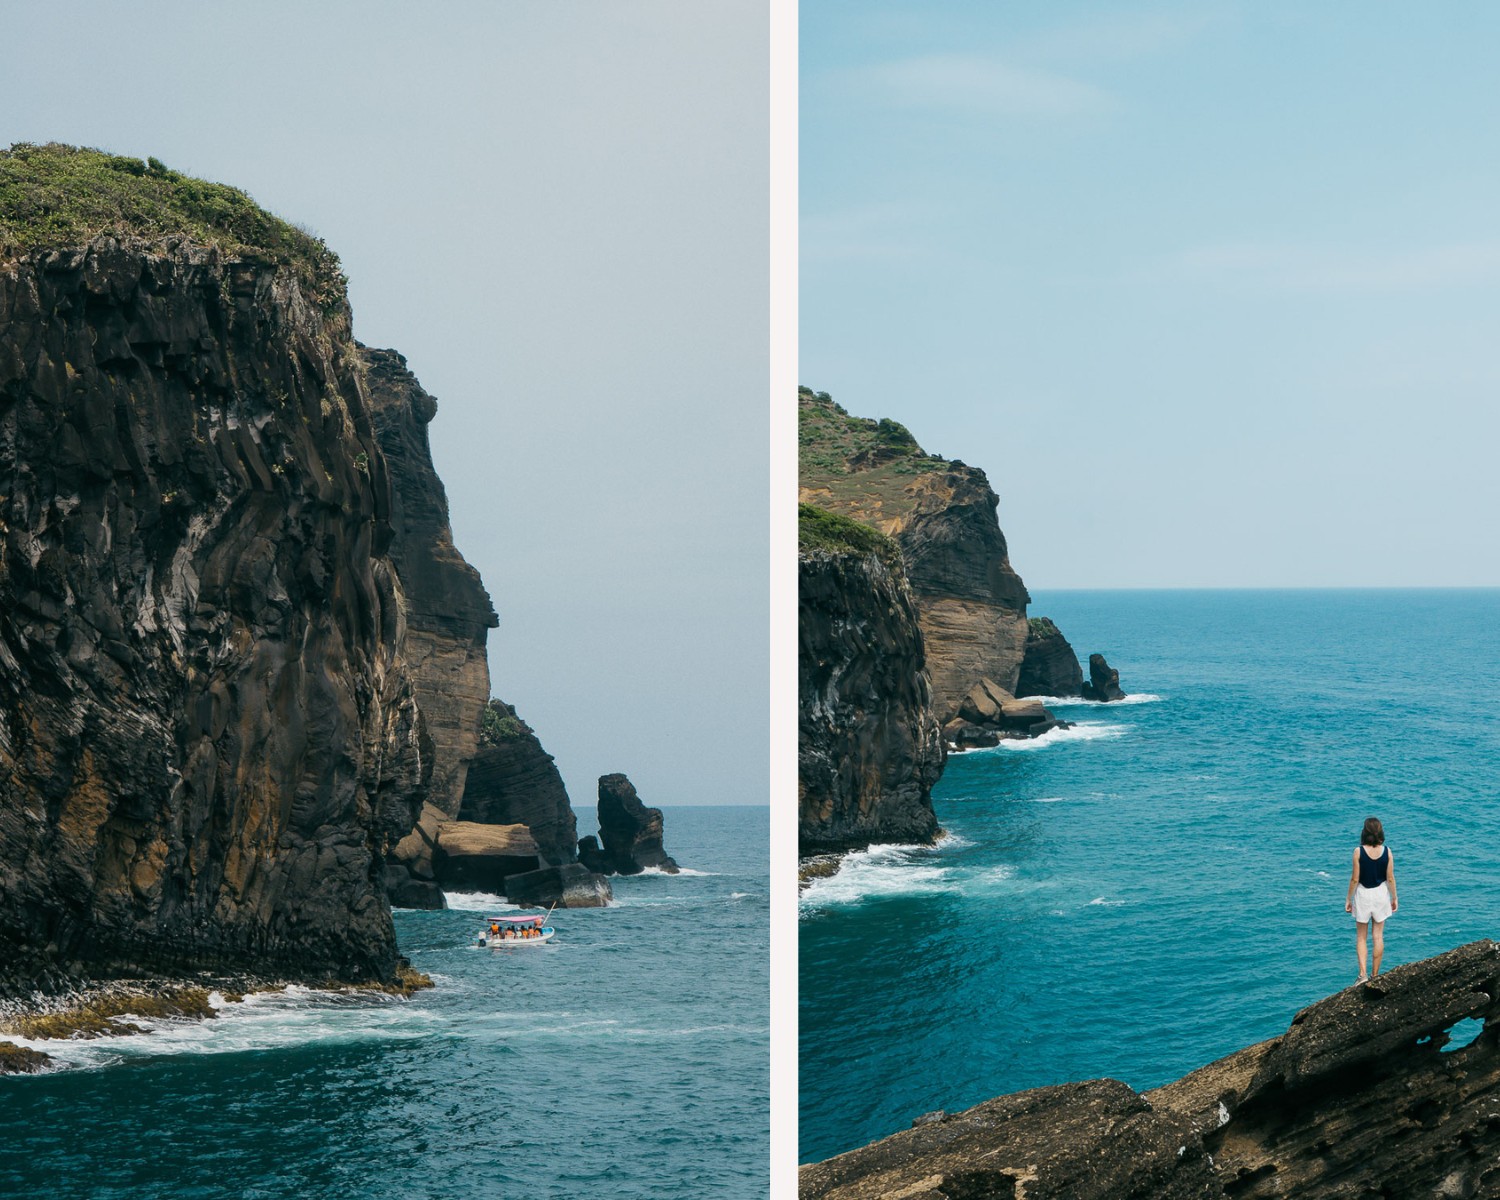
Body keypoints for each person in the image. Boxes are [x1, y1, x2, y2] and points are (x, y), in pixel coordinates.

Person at [1344, 816, 1398, 982]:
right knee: (1378, 936)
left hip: (1363, 894)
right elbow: (1390, 878)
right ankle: (1375, 975)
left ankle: (1362, 975)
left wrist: (1348, 899)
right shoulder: (1387, 851)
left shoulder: (1358, 851)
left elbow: (1355, 878)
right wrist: (1394, 897)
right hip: (1381, 894)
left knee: (1361, 937)